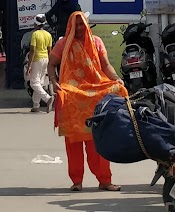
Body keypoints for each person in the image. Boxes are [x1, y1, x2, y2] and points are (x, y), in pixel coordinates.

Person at [48, 10, 124, 191]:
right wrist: (53, 81)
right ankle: (77, 181)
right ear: (70, 26)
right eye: (76, 24)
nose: (80, 27)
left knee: (97, 140)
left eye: (82, 23)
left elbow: (105, 64)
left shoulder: (96, 42)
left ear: (87, 24)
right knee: (73, 142)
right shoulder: (63, 44)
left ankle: (105, 180)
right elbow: (51, 64)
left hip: (94, 95)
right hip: (72, 95)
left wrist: (115, 79)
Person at [22, 13, 53, 112]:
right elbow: (50, 51)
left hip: (37, 59)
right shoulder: (48, 35)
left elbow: (32, 51)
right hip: (46, 59)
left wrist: (29, 65)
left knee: (33, 83)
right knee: (39, 82)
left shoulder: (35, 34)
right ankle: (36, 105)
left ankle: (48, 98)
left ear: (35, 24)